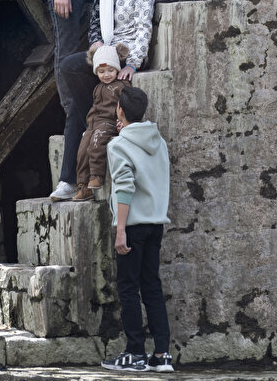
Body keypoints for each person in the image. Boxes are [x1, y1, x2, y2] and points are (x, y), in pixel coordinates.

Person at [51, 0, 155, 201]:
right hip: (106, 53)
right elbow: (96, 21)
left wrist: (133, 62)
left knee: (75, 99)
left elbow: (143, 28)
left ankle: (69, 179)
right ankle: (68, 180)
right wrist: (96, 42)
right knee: (70, 70)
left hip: (126, 54)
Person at [102, 86, 173, 373]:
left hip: (133, 224)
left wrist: (120, 229)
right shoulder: (159, 142)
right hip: (156, 223)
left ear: (119, 110)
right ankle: (162, 354)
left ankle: (135, 353)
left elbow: (124, 186)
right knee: (151, 286)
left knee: (129, 288)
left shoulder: (118, 145)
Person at [72, 43, 131, 202]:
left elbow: (126, 105)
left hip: (109, 122)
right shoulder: (97, 88)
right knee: (82, 150)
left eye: (110, 70)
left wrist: (124, 121)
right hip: (93, 123)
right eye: (101, 71)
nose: (106, 75)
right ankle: (83, 186)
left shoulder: (122, 86)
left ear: (117, 68)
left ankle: (96, 176)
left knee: (96, 143)